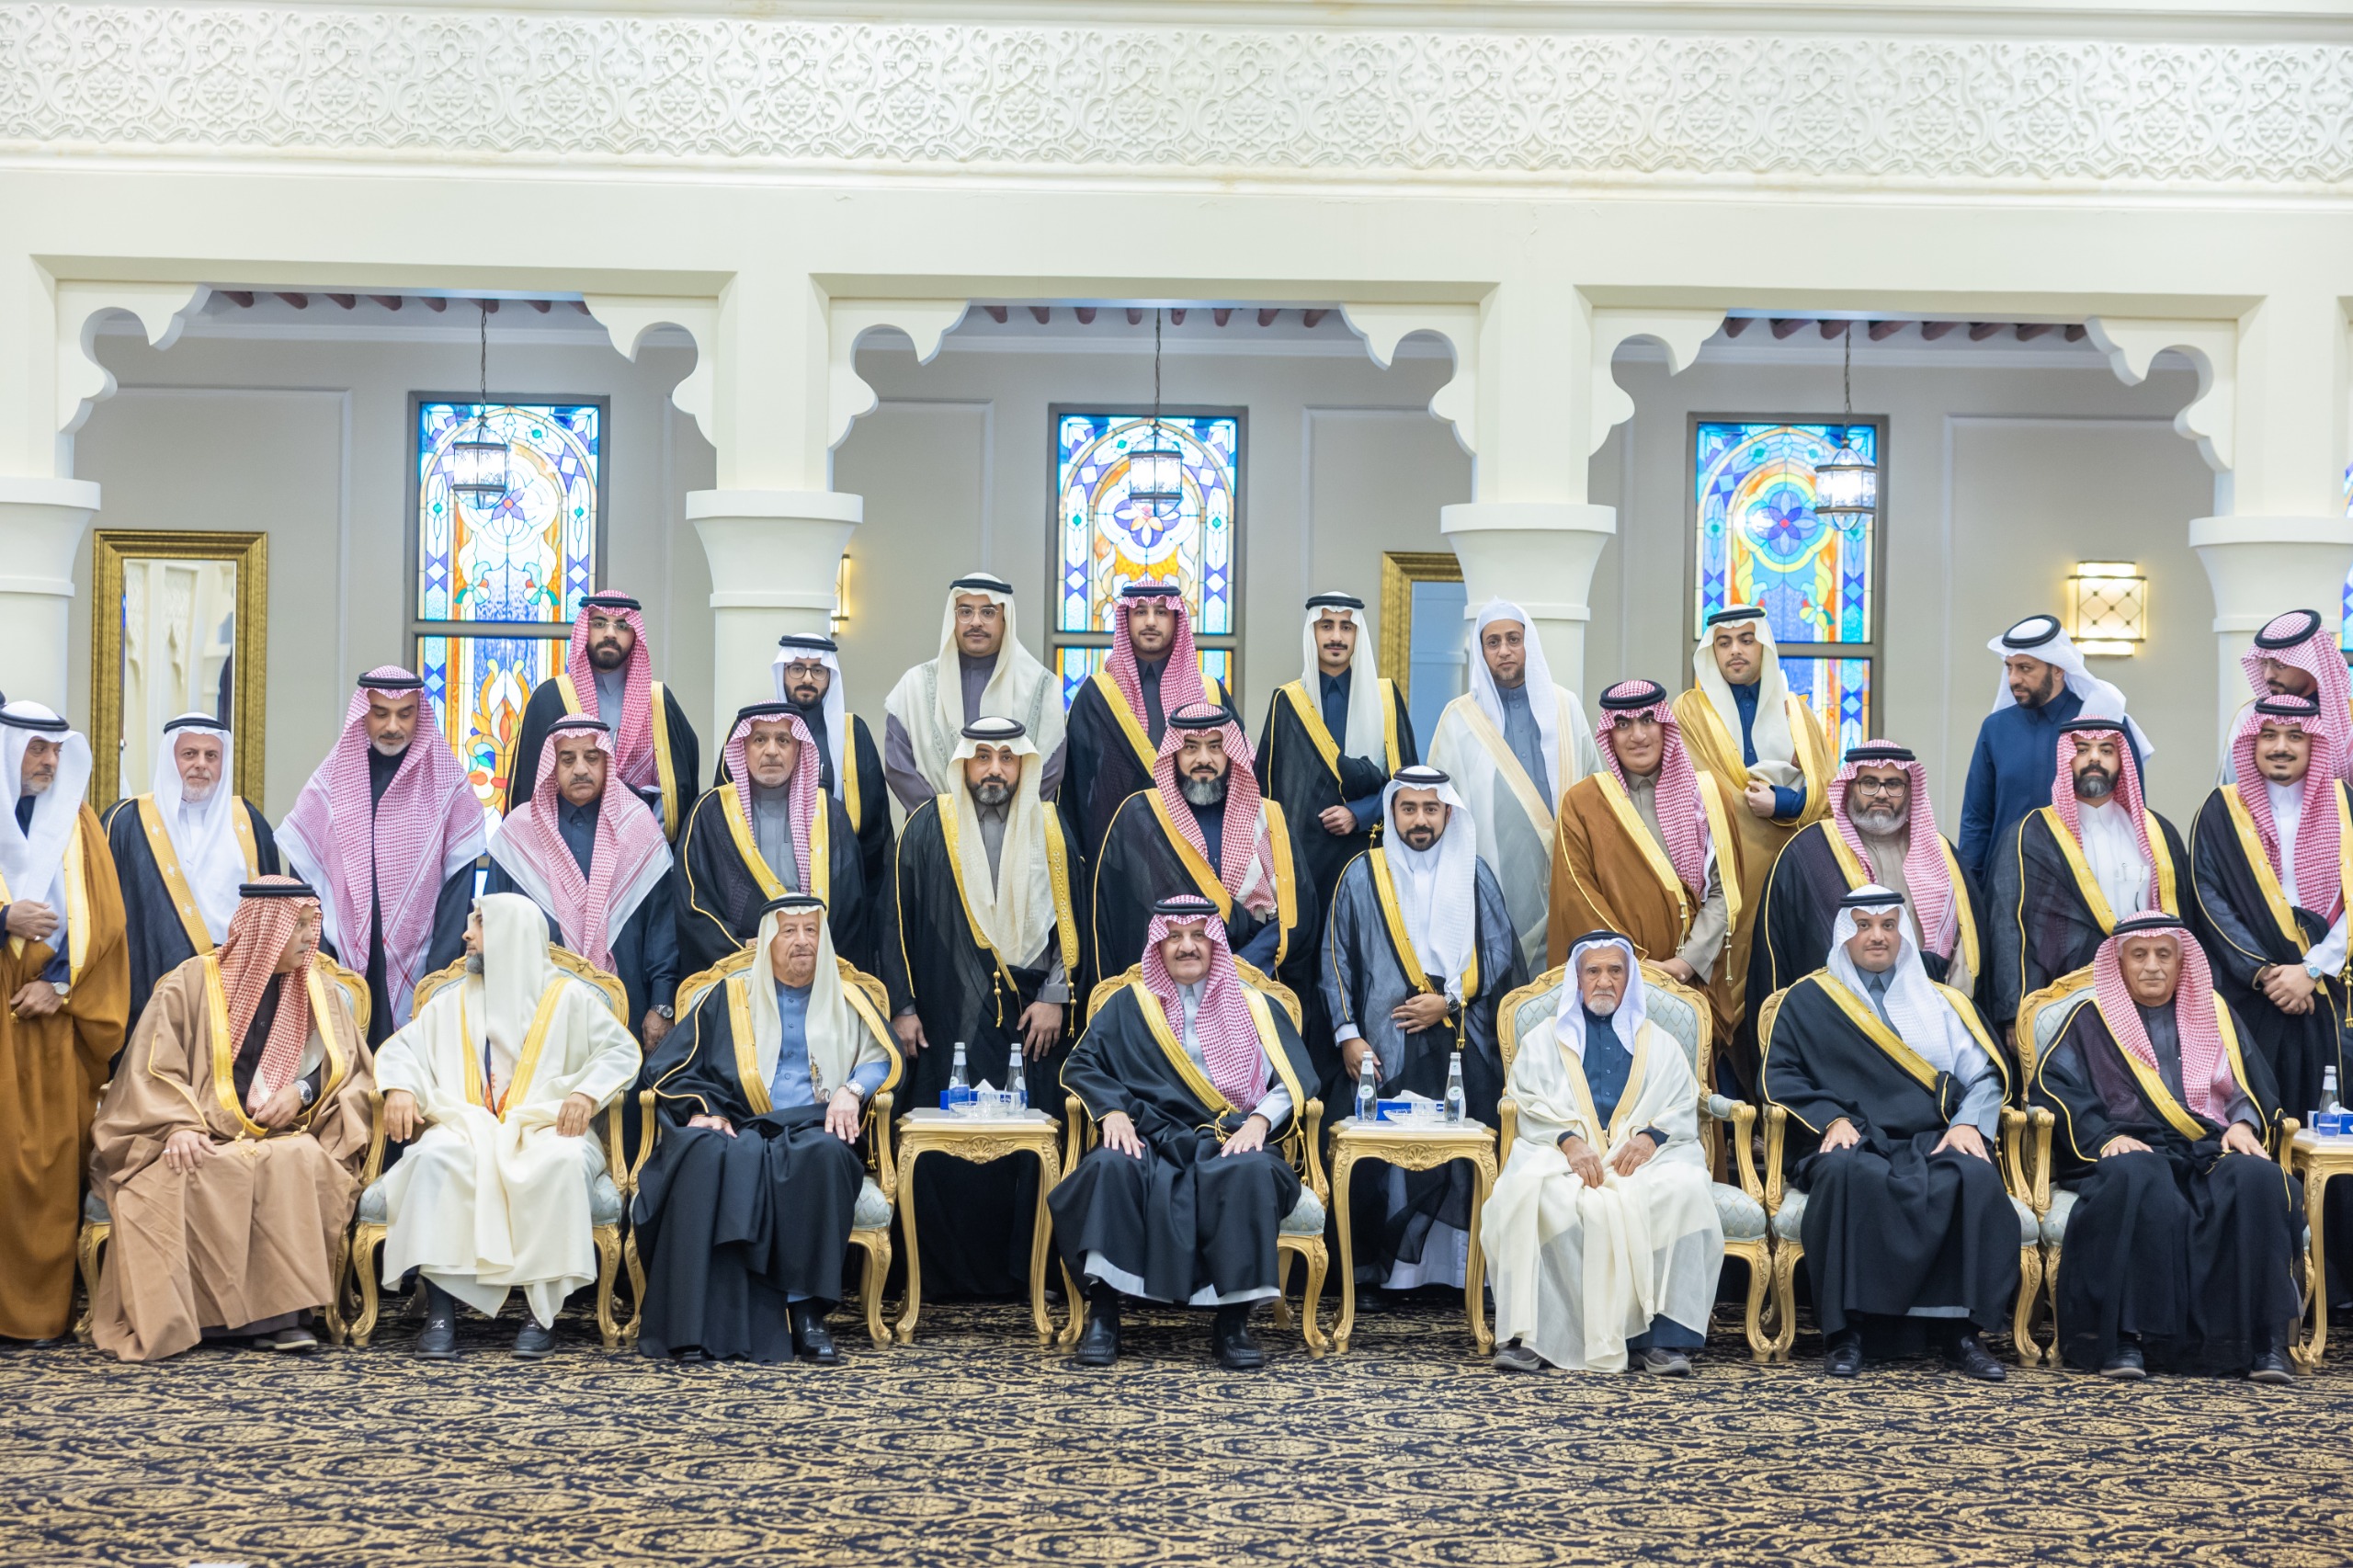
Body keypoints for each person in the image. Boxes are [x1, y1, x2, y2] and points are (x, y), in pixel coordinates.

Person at [86, 878, 371, 1360]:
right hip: (197, 1130)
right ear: (266, 928)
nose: (311, 937)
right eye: (299, 926)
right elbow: (151, 1068)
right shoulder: (190, 984)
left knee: (298, 1162)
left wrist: (301, 1092)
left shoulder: (318, 989)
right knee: (184, 1173)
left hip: (283, 1133)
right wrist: (177, 1125)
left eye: (312, 925)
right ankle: (204, 1321)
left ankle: (283, 1320)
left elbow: (347, 1067)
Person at [2029, 913, 2300, 1383]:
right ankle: (2126, 1338)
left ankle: (2264, 1343)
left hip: (2206, 1147)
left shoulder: (2214, 1013)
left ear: (2181, 961)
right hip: (2126, 1147)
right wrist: (2106, 1138)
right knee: (2139, 1174)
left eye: (2163, 955)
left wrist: (2243, 1122)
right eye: (2139, 955)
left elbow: (2249, 1081)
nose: (2152, 966)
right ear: (2119, 962)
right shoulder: (2089, 1020)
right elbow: (2055, 1089)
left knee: (2258, 1179)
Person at [1759, 887, 2016, 1381]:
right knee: (1847, 1176)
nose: (1876, 936)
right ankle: (1848, 1334)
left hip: (1930, 1136)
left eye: (1888, 926)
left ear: (1903, 933)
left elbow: (1985, 1075)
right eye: (1863, 925)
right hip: (1850, 1135)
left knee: (1973, 1178)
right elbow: (1781, 1076)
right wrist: (1831, 1118)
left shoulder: (1941, 1000)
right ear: (1845, 934)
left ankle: (1961, 1334)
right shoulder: (1808, 999)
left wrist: (1967, 1123)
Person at [1051, 897, 1316, 1370]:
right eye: (1174, 936)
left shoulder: (1256, 1005)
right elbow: (1082, 1063)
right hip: (1150, 1137)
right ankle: (1104, 1315)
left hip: (1228, 1137)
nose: (1186, 946)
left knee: (1252, 1172)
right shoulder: (1130, 1004)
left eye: (1198, 935)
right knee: (1108, 1166)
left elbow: (1296, 1078)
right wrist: (1111, 1112)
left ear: (1216, 944)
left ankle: (1233, 1321)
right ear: (1159, 945)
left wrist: (1259, 1122)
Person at [373, 893, 642, 1358]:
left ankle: (541, 1315)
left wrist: (585, 1093)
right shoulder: (451, 1001)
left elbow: (621, 1051)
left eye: (479, 924)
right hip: (467, 1126)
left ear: (510, 933)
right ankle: (441, 1312)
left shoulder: (569, 998)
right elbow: (402, 1051)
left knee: (562, 1163)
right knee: (434, 1157)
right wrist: (399, 1087)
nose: (466, 934)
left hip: (545, 1127)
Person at [632, 895, 899, 1365]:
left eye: (811, 930)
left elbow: (882, 1056)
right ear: (767, 942)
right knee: (701, 1152)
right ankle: (698, 1322)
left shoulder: (848, 997)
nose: (802, 941)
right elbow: (671, 1067)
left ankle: (808, 1314)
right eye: (789, 931)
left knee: (825, 1157)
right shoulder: (730, 996)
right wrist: (706, 1109)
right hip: (741, 1122)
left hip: (815, 1124)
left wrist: (852, 1090)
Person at [880, 716, 1085, 1299]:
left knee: (1029, 1137)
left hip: (1032, 1019)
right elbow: (894, 920)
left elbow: (1071, 925)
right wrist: (903, 1007)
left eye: (1007, 758)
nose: (995, 770)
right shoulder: (927, 826)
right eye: (983, 757)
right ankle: (939, 1278)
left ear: (1023, 765)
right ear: (963, 763)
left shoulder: (1050, 827)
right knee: (945, 1137)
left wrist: (1055, 996)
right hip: (944, 1012)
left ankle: (1029, 1273)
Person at [1484, 933, 1724, 1375]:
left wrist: (1650, 1138)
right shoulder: (1543, 1040)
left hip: (1642, 1158)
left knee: (1684, 1190)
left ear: (1628, 978)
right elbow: (1526, 1101)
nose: (1604, 981)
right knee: (1525, 1193)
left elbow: (1681, 1102)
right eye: (1593, 971)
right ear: (1576, 980)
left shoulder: (1659, 1042)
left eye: (1615, 970)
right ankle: (1536, 1337)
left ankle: (1661, 1341)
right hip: (1562, 1155)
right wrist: (1569, 1142)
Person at [1322, 767, 1522, 1290]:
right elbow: (1336, 959)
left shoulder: (1473, 871)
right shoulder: (1362, 874)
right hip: (1382, 1040)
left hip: (1460, 1034)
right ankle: (1386, 1277)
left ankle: (1458, 1277)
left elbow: (1498, 951)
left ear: (1448, 813)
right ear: (1392, 812)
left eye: (1431, 809)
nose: (1420, 820)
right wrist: (1348, 1035)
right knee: (1380, 1154)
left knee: (1465, 1147)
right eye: (1408, 808)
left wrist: (1448, 1001)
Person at [0, 701, 130, 1342]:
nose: (49, 762)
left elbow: (105, 921)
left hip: (51, 1020)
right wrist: (4, 920)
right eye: (36, 749)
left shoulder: (78, 824)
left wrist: (57, 986)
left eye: (56, 751)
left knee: (47, 1167)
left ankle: (36, 1317)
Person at [278, 669, 482, 1046]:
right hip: (341, 957)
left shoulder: (446, 783)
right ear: (363, 714)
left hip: (422, 959)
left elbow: (458, 886)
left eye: (405, 714)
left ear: (419, 715)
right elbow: (308, 872)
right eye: (380, 713)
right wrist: (323, 961)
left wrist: (437, 973)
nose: (392, 726)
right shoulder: (332, 779)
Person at [1550, 680, 1742, 1062]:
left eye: (1648, 720)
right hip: (1608, 983)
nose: (1637, 735)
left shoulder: (1708, 795)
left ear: (1665, 725)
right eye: (1623, 724)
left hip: (1691, 984)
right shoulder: (1583, 803)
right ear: (1609, 733)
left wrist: (1683, 965)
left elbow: (1725, 892)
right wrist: (1633, 966)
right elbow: (1578, 896)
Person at [1670, 608, 1831, 1053]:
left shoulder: (1797, 712)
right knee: (1720, 981)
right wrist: (1746, 804)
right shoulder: (1690, 711)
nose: (1735, 651)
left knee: (1786, 974)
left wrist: (1786, 803)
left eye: (1746, 639)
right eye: (1724, 643)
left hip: (1789, 866)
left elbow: (1826, 791)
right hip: (1718, 870)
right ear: (1712, 652)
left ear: (1764, 647)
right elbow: (1685, 786)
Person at [2187, 695, 2350, 1125]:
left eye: (2295, 736)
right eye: (2269, 735)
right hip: (2251, 992)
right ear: (2251, 743)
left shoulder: (2346, 804)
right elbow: (2208, 898)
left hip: (2332, 987)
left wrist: (2313, 968)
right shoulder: (2221, 810)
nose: (2281, 747)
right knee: (2254, 1112)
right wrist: (2264, 973)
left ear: (2314, 744)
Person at [1090, 702, 1310, 1005]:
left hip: (1252, 983)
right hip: (1163, 987)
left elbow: (1296, 912)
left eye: (1215, 747)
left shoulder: (1269, 818)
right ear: (1174, 754)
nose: (1203, 759)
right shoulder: (1141, 816)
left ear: (1230, 752)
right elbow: (1119, 914)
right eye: (1191, 747)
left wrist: (1241, 968)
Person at [1426, 600, 1603, 974]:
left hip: (1568, 875)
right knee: (1501, 983)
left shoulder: (1566, 706)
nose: (1504, 650)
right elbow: (1440, 809)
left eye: (1513, 639)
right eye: (1493, 642)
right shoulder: (1459, 718)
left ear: (1528, 644)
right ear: (1481, 651)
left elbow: (1594, 789)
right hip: (1493, 881)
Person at [1750, 742, 1984, 1016]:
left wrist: (1951, 1010)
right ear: (1849, 787)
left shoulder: (1941, 853)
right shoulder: (1808, 851)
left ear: (1910, 791)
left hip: (1930, 1010)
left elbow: (1967, 943)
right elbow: (1777, 949)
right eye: (1869, 783)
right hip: (1835, 1017)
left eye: (1894, 784)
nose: (1882, 794)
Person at [484, 716, 677, 1046]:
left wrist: (661, 1004)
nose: (580, 769)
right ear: (552, 765)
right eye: (567, 759)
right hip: (532, 1011)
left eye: (591, 757)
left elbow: (662, 929)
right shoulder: (519, 832)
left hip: (626, 1007)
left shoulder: (638, 828)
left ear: (606, 762)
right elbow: (492, 926)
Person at [1988, 718, 2187, 1036]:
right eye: (2082, 749)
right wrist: (2014, 1014)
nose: (2094, 758)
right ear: (2066, 758)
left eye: (2106, 750)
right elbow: (2008, 929)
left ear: (2122, 760)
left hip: (2149, 999)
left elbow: (2183, 923)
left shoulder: (2157, 833)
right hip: (2064, 1002)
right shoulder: (2030, 835)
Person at [102, 712, 280, 1024]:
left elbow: (276, 913)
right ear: (169, 759)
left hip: (237, 991)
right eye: (189, 754)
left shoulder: (249, 823)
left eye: (211, 755)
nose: (200, 764)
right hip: (152, 987)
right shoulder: (128, 822)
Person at [1959, 614, 2152, 889]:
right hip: (2008, 881)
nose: (2014, 678)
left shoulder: (2101, 721)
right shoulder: (1996, 728)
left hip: (2085, 881)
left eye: (2025, 668)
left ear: (2058, 669)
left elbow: (2130, 806)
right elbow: (1977, 817)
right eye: (2009, 667)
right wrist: (1970, 887)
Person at [674, 703, 867, 978]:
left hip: (817, 969)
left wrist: (816, 952)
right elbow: (694, 901)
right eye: (760, 740)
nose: (772, 751)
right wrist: (739, 946)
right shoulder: (710, 812)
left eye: (783, 740)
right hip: (738, 970)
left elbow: (850, 905)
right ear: (743, 748)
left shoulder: (829, 814)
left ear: (798, 749)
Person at [1255, 593, 1417, 918]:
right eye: (1326, 625)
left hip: (1368, 848)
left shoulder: (1386, 697)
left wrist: (1358, 813)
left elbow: (1408, 783)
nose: (1336, 637)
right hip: (1303, 861)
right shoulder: (1288, 701)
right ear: (1312, 632)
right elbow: (1267, 792)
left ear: (1358, 635)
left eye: (1346, 627)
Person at [505, 593, 700, 842]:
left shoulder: (659, 702)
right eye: (599, 623)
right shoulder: (550, 698)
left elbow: (679, 792)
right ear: (584, 630)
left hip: (643, 846)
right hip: (563, 844)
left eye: (622, 625)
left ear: (634, 634)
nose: (610, 633)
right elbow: (528, 786)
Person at [1063, 582, 1225, 872]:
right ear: (1126, 619)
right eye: (1140, 612)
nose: (1150, 621)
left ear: (1176, 619)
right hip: (1117, 858)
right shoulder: (1096, 696)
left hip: (1195, 855)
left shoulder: (1210, 694)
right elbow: (1076, 792)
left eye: (1161, 612)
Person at [883, 574, 1065, 810]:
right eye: (965, 612)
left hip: (1018, 828)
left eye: (988, 612)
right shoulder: (914, 685)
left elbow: (1050, 768)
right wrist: (941, 818)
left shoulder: (1043, 686)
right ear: (953, 618)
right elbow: (899, 767)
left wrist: (1004, 820)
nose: (976, 622)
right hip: (932, 825)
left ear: (1005, 618)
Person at [773, 631, 893, 900]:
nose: (807, 679)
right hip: (771, 867)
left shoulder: (853, 732)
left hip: (839, 873)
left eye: (818, 670)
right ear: (782, 672)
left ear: (830, 677)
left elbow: (875, 824)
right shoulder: (758, 731)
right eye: (797, 668)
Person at [2218, 608, 2353, 784]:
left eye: (2280, 665)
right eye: (2264, 664)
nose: (2268, 675)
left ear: (2310, 663)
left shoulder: (2349, 718)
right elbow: (2230, 789)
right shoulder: (2249, 717)